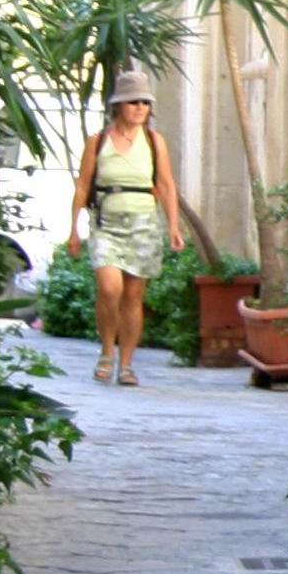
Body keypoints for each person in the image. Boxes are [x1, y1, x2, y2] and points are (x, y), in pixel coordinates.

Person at [67, 68, 187, 385]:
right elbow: (82, 185)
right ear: (118, 105)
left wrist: (174, 226)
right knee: (109, 289)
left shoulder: (153, 141)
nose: (139, 108)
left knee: (133, 297)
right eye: (133, 101)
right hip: (107, 222)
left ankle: (127, 364)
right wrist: (73, 229)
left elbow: (166, 184)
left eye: (145, 103)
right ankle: (107, 352)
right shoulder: (98, 142)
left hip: (144, 223)